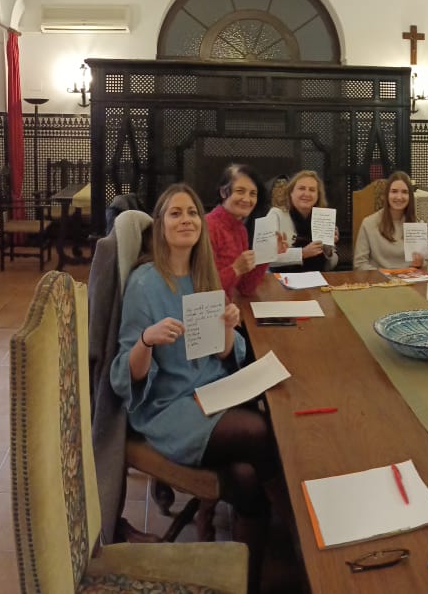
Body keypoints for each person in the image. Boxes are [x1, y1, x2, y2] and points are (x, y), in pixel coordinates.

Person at [109, 184, 279, 591]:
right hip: (168, 406)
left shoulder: (205, 278)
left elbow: (222, 355)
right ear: (160, 226)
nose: (185, 219)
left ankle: (251, 581)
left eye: (192, 213)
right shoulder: (145, 284)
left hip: (211, 391)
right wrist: (147, 340)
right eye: (174, 214)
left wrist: (226, 329)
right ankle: (296, 517)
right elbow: (124, 373)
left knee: (245, 478)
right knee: (261, 432)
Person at [205, 163, 281, 299]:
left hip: (231, 311)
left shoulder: (240, 230)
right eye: (240, 191)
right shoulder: (208, 227)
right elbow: (202, 289)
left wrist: (268, 253)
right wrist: (235, 269)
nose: (247, 199)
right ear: (223, 192)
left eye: (253, 194)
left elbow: (245, 288)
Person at [266, 170, 338, 273]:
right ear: (291, 193)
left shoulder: (323, 218)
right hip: (282, 283)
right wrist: (302, 253)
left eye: (312, 190)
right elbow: (266, 259)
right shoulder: (276, 215)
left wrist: (328, 249)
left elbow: (331, 266)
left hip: (317, 281)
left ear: (318, 196)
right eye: (301, 188)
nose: (307, 193)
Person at [353, 171, 423, 270]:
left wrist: (420, 263)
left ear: (410, 196)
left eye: (404, 192)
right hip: (379, 280)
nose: (399, 197)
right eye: (394, 191)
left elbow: (424, 263)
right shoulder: (368, 223)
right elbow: (359, 264)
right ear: (386, 195)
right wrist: (386, 275)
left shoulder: (417, 224)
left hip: (409, 280)